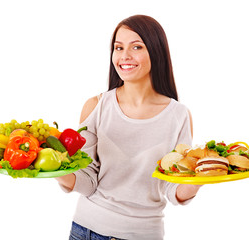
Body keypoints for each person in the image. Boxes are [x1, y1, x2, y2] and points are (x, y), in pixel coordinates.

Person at [56, 15, 202, 240]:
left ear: (156, 51)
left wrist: (200, 179)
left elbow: (173, 189)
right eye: (118, 47)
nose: (124, 56)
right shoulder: (96, 106)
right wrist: (54, 170)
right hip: (86, 230)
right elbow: (87, 181)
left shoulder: (179, 116)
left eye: (136, 46)